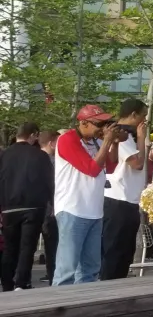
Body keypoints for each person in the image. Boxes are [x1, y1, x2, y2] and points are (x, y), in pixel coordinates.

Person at [52, 106, 117, 285]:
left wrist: (114, 142)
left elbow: (110, 167)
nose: (102, 128)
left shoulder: (95, 142)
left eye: (105, 123)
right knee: (67, 270)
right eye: (99, 123)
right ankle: (57, 309)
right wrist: (107, 142)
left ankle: (84, 309)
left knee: (90, 270)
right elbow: (92, 169)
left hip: (94, 211)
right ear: (83, 123)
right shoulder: (67, 139)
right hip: (73, 209)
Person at [1, 122, 54, 291]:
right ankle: (22, 282)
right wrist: (51, 203)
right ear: (33, 135)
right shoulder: (40, 156)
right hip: (34, 206)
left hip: (9, 207)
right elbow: (48, 182)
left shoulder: (4, 155)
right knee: (27, 247)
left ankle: (7, 282)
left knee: (9, 246)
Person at [100, 99, 149, 281]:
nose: (144, 120)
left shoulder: (126, 135)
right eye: (143, 115)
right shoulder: (123, 134)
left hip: (128, 199)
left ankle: (116, 287)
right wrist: (142, 138)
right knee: (115, 252)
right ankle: (107, 289)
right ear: (134, 115)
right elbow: (137, 163)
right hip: (119, 198)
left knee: (125, 251)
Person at [37, 131, 59, 282]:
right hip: (50, 208)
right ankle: (53, 276)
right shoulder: (52, 161)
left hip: (35, 207)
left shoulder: (32, 158)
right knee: (52, 245)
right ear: (51, 143)